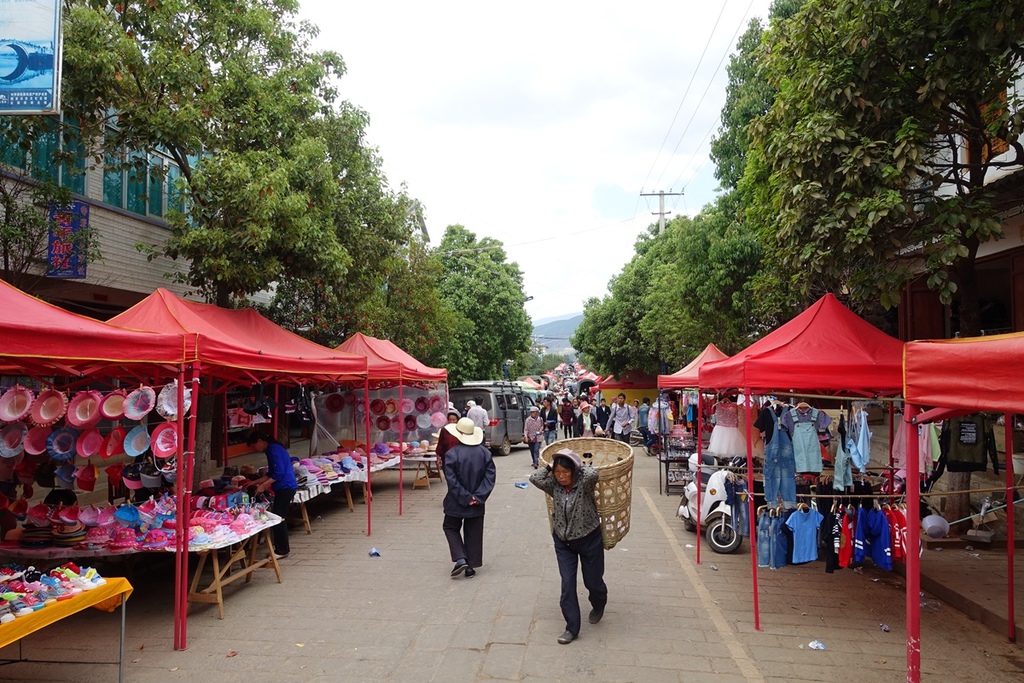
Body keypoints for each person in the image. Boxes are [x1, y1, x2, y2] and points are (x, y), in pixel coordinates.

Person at [529, 448, 608, 644]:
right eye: (558, 472)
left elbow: (593, 473)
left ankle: (599, 603)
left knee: (593, 582)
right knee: (567, 584)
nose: (561, 476)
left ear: (573, 471)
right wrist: (549, 465)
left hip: (589, 538)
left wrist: (575, 462)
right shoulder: (553, 485)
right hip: (563, 542)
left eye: (565, 472)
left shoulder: (584, 484)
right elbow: (534, 477)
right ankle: (572, 628)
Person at [442, 417, 497, 579]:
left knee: (450, 527)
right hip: (477, 503)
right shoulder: (485, 453)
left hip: (456, 501)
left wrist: (466, 497)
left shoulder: (451, 454)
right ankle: (470, 567)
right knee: (474, 532)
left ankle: (460, 558)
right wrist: (477, 497)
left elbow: (452, 481)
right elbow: (490, 478)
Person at [248, 430, 298, 559]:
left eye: (254, 446)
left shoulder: (273, 450)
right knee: (278, 516)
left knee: (278, 518)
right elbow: (272, 473)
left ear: (260, 441)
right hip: (286, 486)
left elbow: (278, 474)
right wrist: (256, 481)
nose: (254, 449)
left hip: (285, 487)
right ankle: (281, 548)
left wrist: (262, 486)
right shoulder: (273, 448)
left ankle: (282, 550)